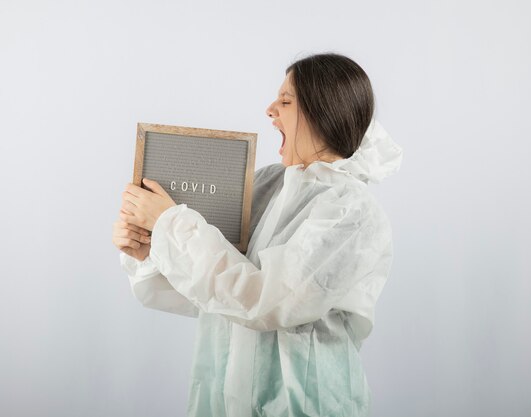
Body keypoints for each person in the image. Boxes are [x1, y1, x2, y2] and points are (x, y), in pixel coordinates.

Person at [112, 52, 402, 417]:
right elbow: (217, 297)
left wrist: (171, 224)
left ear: (324, 111)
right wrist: (151, 253)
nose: (270, 109)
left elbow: (269, 301)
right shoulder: (268, 185)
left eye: (285, 101)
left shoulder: (351, 212)